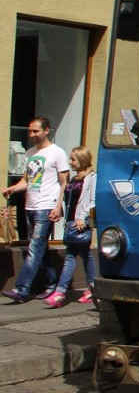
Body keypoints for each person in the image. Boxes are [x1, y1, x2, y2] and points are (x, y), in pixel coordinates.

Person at [1, 117, 69, 303]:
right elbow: (28, 180)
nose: (32, 135)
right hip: (30, 206)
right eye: (30, 131)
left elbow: (64, 183)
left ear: (46, 130)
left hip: (46, 207)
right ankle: (52, 283)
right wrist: (13, 188)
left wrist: (58, 206)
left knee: (34, 248)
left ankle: (21, 289)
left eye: (35, 131)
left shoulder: (57, 153)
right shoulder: (30, 153)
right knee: (41, 249)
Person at [43, 147, 97, 307]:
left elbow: (93, 200)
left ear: (83, 160)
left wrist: (83, 218)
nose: (70, 162)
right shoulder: (74, 180)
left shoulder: (92, 178)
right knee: (86, 254)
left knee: (70, 256)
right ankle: (93, 289)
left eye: (73, 159)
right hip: (71, 222)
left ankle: (60, 292)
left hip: (81, 222)